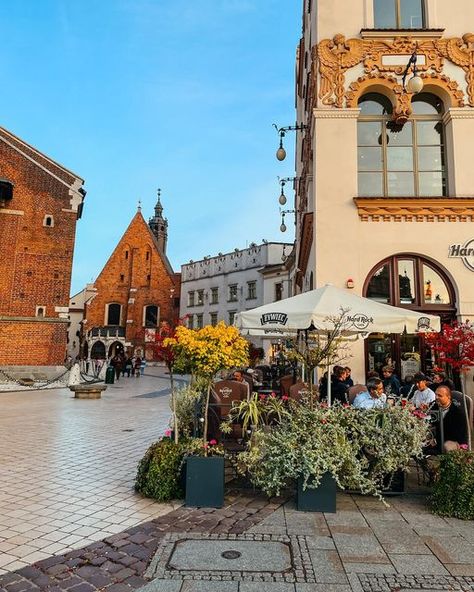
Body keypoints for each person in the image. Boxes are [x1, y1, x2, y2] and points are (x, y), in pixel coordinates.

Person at [428, 386, 469, 453]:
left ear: (448, 397)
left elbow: (458, 435)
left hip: (452, 442)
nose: (436, 397)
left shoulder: (457, 414)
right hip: (437, 441)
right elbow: (431, 423)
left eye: (440, 396)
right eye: (436, 394)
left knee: (447, 446)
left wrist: (436, 439)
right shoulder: (434, 407)